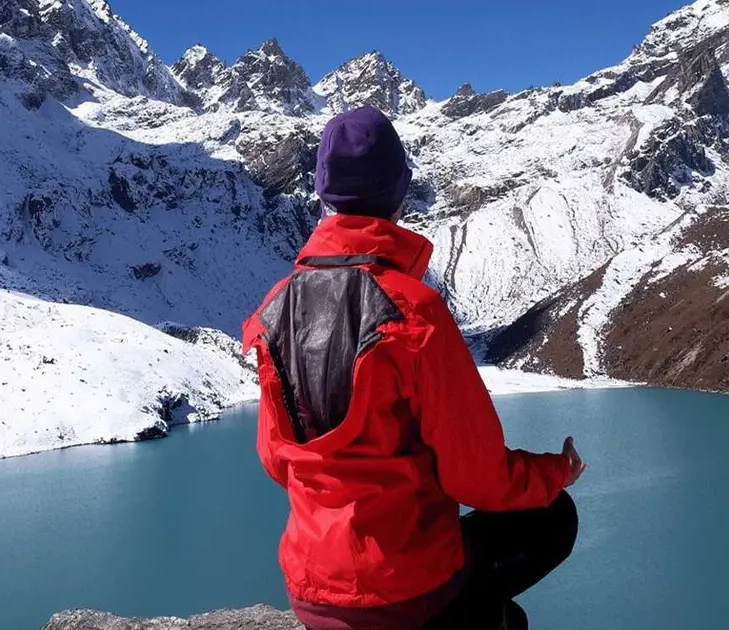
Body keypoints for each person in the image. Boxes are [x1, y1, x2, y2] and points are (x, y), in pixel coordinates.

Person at [241, 106, 586, 630]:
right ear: (400, 194)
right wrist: (556, 473)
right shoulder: (411, 309)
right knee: (553, 519)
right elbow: (477, 475)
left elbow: (275, 459)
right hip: (406, 588)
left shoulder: (276, 307)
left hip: (313, 590)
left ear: (322, 193)